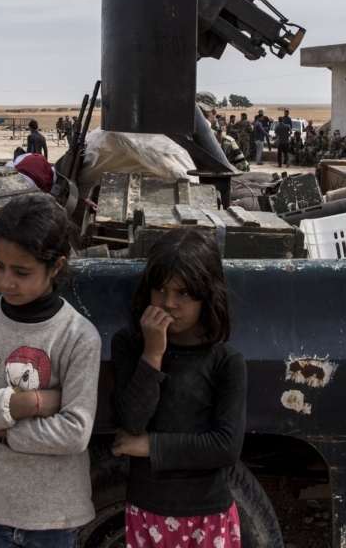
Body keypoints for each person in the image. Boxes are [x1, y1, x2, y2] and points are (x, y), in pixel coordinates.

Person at [0, 194, 101, 548]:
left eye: (21, 272)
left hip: (55, 515)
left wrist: (0, 432)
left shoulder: (78, 337)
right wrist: (33, 402)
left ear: (56, 266)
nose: (6, 281)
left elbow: (74, 433)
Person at [111, 229, 246, 548]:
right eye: (160, 289)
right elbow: (131, 421)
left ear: (206, 295)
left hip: (206, 515)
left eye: (183, 293)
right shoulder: (130, 346)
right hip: (146, 511)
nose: (168, 303)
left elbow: (225, 447)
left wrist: (149, 446)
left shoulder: (226, 362)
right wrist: (153, 352)